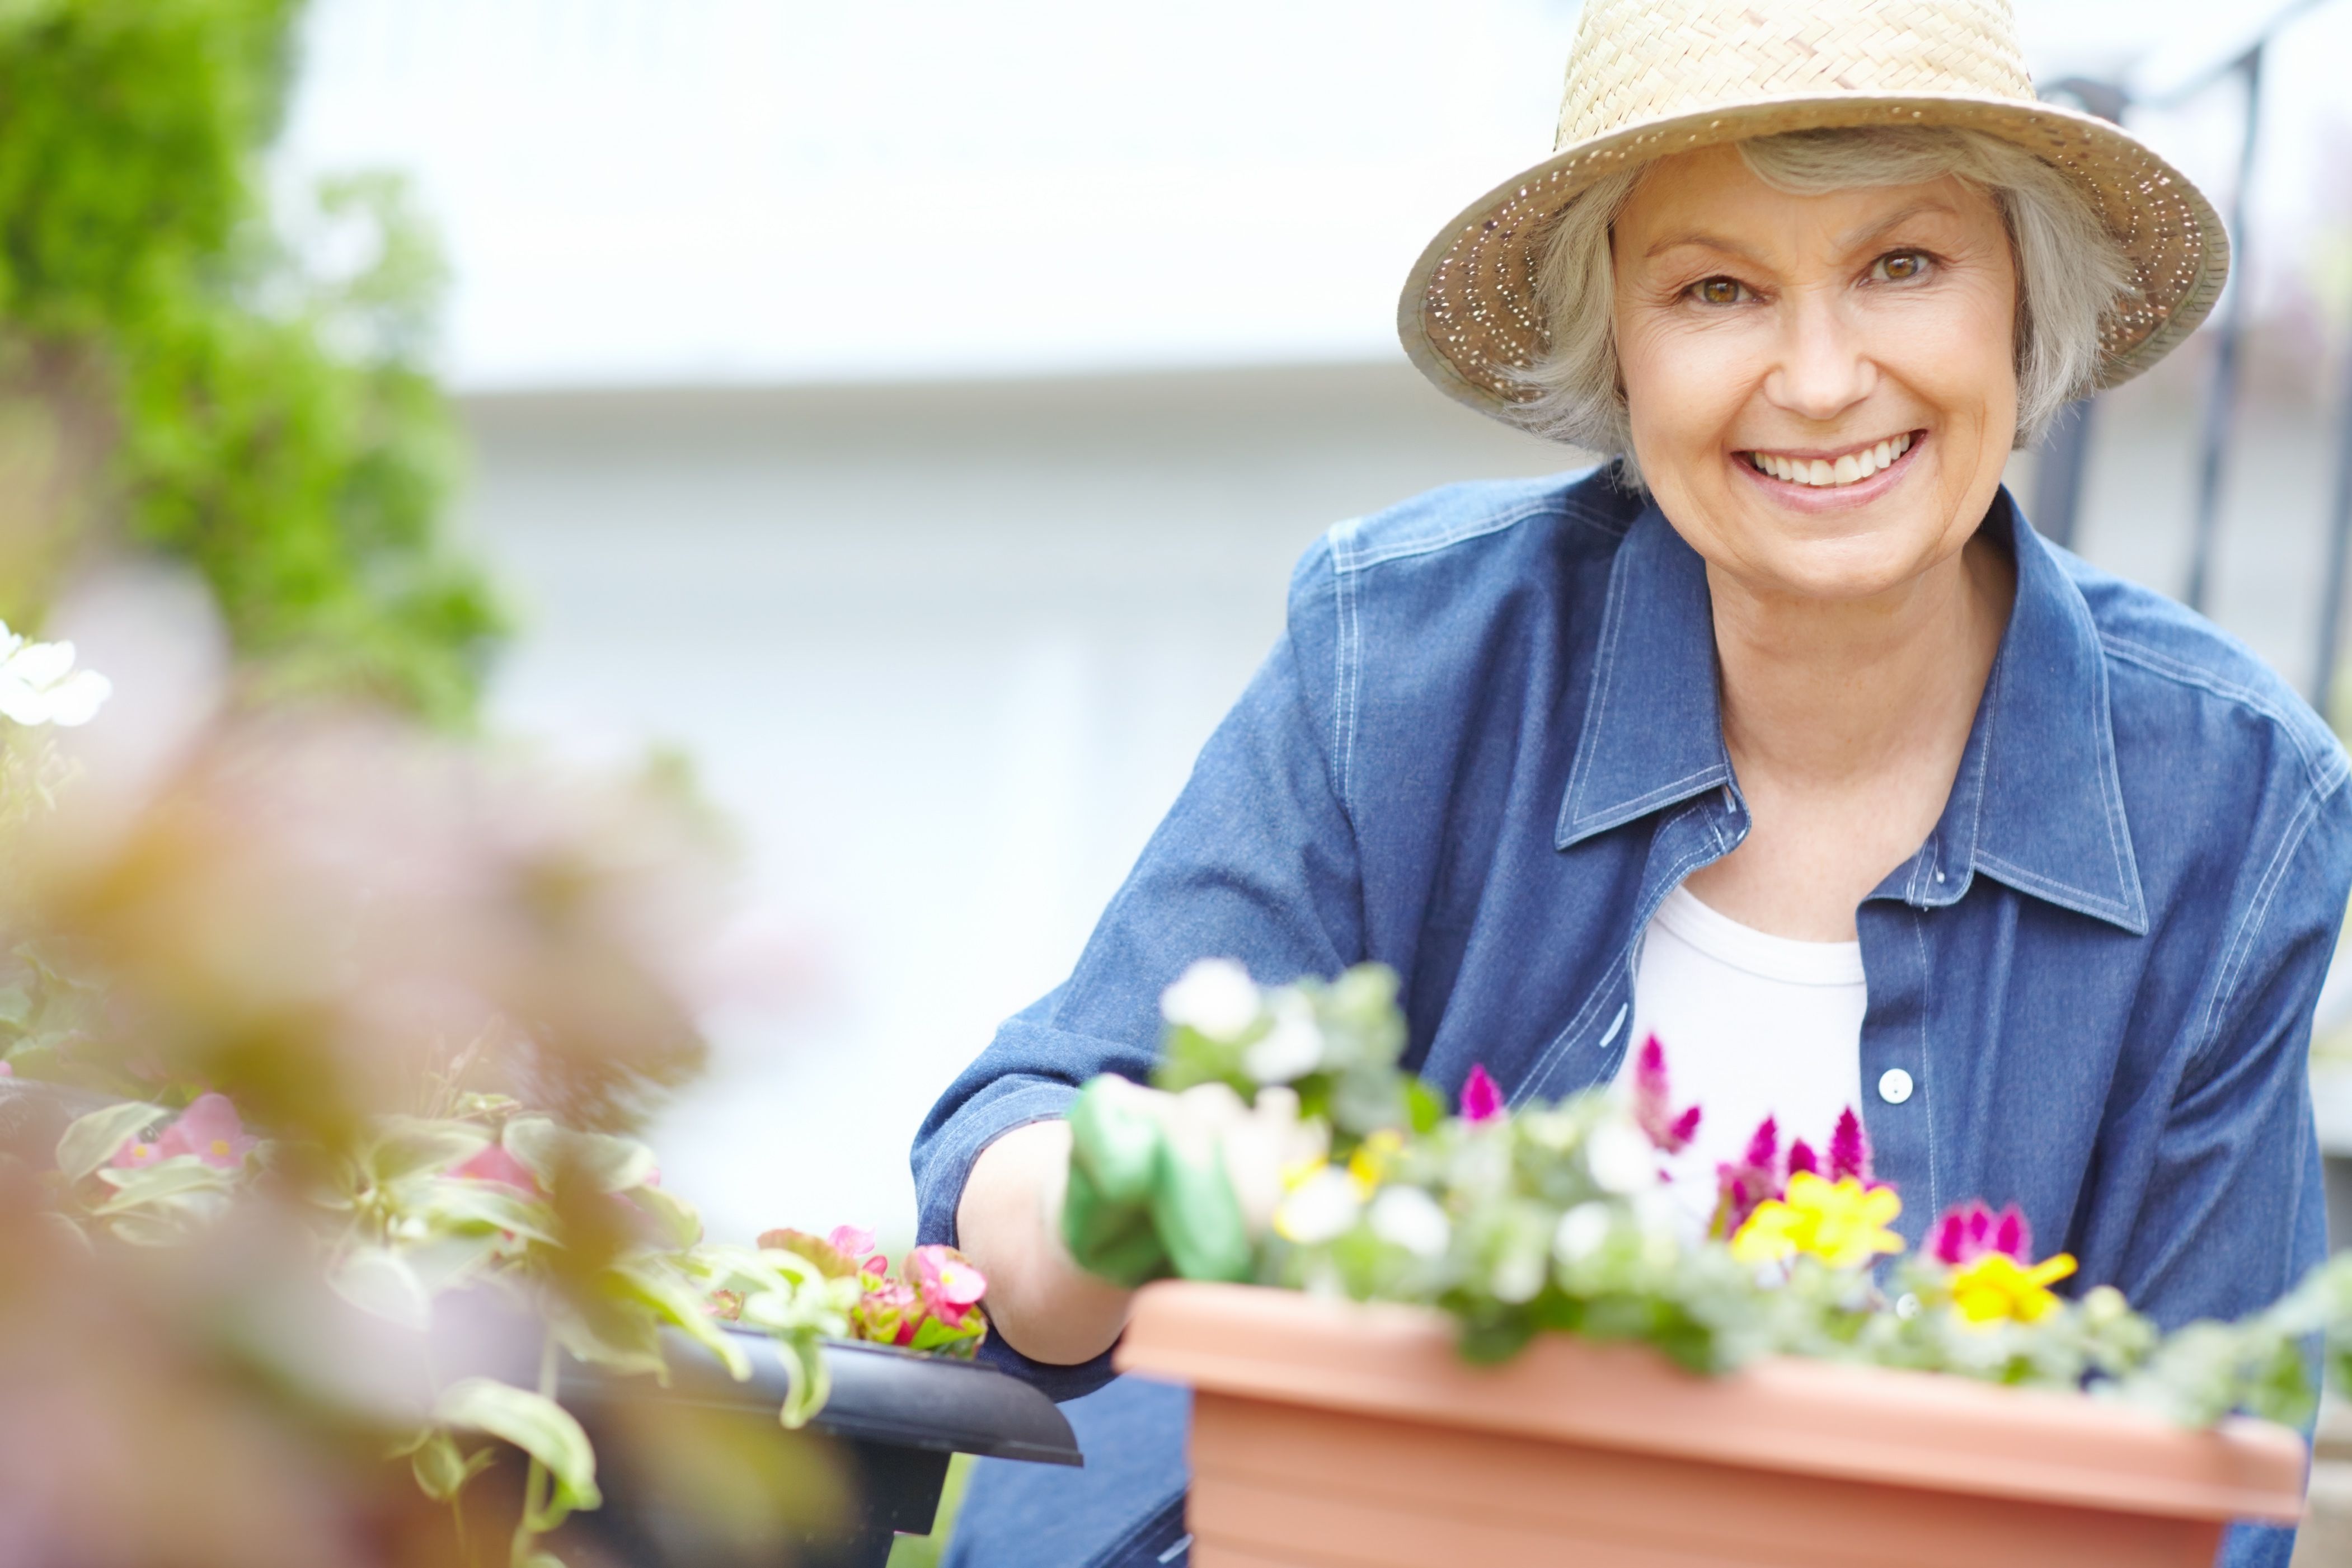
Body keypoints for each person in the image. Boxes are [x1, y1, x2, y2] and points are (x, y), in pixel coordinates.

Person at [916, 2, 2350, 1564]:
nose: (1816, 378)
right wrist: (1108, 1189)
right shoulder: (1407, 655)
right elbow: (1021, 1171)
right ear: (1617, 338)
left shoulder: (2227, 799)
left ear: (2020, 296)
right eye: (1715, 287)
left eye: (1901, 265)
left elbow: (2215, 1476)